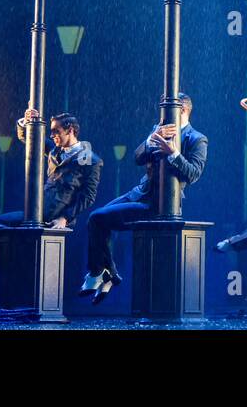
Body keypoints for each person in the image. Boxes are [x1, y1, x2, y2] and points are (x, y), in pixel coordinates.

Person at [0, 110, 101, 278]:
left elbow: (88, 196)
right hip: (37, 212)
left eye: (56, 131)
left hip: (55, 217)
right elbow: (29, 139)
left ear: (71, 130)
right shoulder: (54, 150)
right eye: (51, 131)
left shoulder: (89, 158)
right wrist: (26, 121)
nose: (52, 136)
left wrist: (65, 218)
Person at [80, 94, 207, 303]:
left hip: (158, 203)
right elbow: (137, 157)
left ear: (182, 111)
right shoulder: (159, 129)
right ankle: (107, 272)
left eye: (166, 112)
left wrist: (174, 153)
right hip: (139, 191)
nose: (161, 117)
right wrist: (150, 140)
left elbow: (193, 174)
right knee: (95, 221)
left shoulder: (196, 138)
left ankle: (100, 273)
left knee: (97, 218)